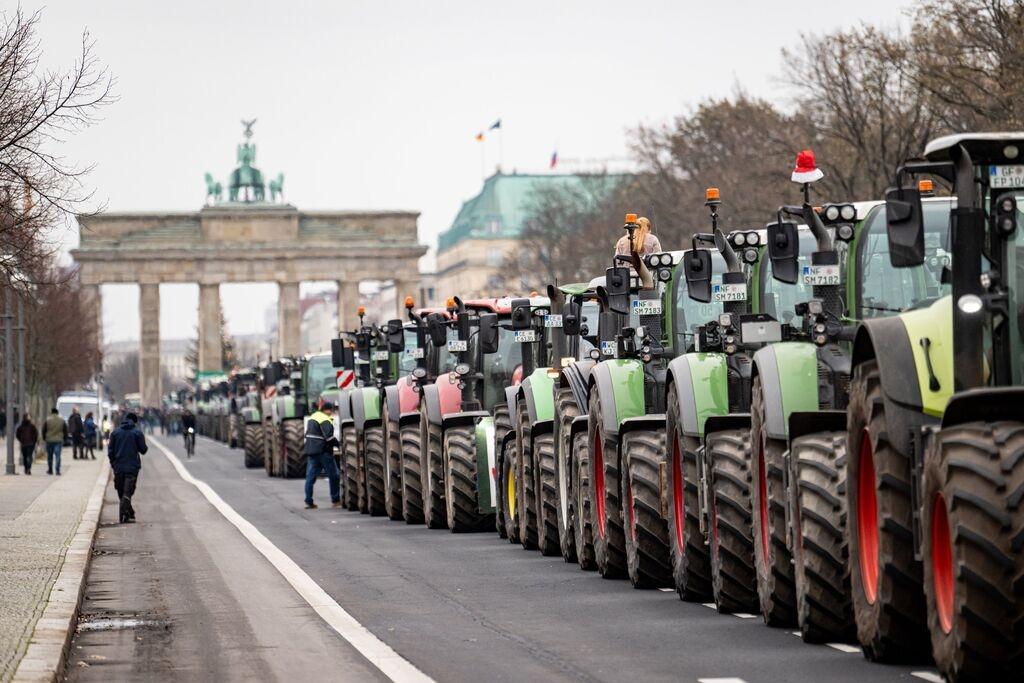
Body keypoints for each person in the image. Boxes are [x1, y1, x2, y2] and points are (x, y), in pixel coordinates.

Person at [107, 412, 148, 523]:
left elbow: (110, 451)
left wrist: (113, 464)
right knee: (128, 492)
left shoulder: (115, 433)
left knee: (121, 491)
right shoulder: (137, 433)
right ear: (135, 422)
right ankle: (128, 513)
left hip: (118, 467)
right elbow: (143, 450)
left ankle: (127, 513)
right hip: (132, 467)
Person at [303, 401, 341, 509]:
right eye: (332, 411)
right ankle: (336, 500)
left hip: (311, 451)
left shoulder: (313, 416)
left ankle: (308, 501)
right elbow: (329, 437)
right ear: (329, 410)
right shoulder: (325, 419)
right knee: (334, 475)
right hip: (323, 451)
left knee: (310, 477)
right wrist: (338, 445)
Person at [42, 408, 67, 475]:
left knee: (50, 456)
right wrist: (64, 438)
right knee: (57, 455)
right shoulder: (62, 420)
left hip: (49, 440)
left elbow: (44, 430)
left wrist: (44, 438)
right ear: (57, 412)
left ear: (51, 412)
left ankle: (50, 469)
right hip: (59, 440)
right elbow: (65, 430)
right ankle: (57, 470)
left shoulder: (48, 420)